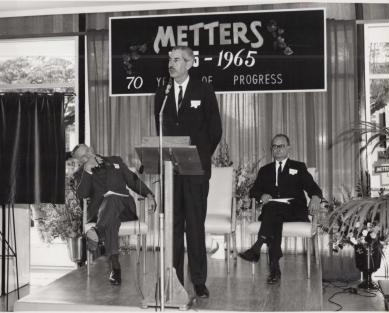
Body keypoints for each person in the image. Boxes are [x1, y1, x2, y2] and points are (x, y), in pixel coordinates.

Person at [154, 46, 222, 298]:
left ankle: (199, 281)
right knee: (172, 226)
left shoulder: (203, 89)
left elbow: (215, 128)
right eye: (170, 60)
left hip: (195, 171)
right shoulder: (162, 91)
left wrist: (201, 156)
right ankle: (174, 279)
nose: (171, 64)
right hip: (171, 171)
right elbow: (158, 127)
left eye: (177, 60)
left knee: (194, 226)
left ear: (190, 63)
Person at [238, 134, 322, 284]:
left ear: (288, 148)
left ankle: (257, 247)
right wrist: (261, 195)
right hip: (274, 212)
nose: (277, 149)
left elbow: (313, 187)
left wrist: (315, 197)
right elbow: (254, 191)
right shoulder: (265, 170)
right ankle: (274, 269)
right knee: (274, 213)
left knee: (272, 209)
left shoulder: (298, 167)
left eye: (281, 146)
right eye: (274, 147)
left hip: (294, 211)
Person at [72, 144, 155, 285]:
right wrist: (87, 171)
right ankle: (116, 269)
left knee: (112, 199)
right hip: (102, 213)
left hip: (125, 209)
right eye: (83, 157)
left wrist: (149, 195)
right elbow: (82, 194)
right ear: (81, 161)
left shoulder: (115, 161)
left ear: (92, 148)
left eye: (87, 151)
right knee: (112, 220)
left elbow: (132, 180)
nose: (87, 155)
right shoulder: (80, 173)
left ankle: (97, 231)